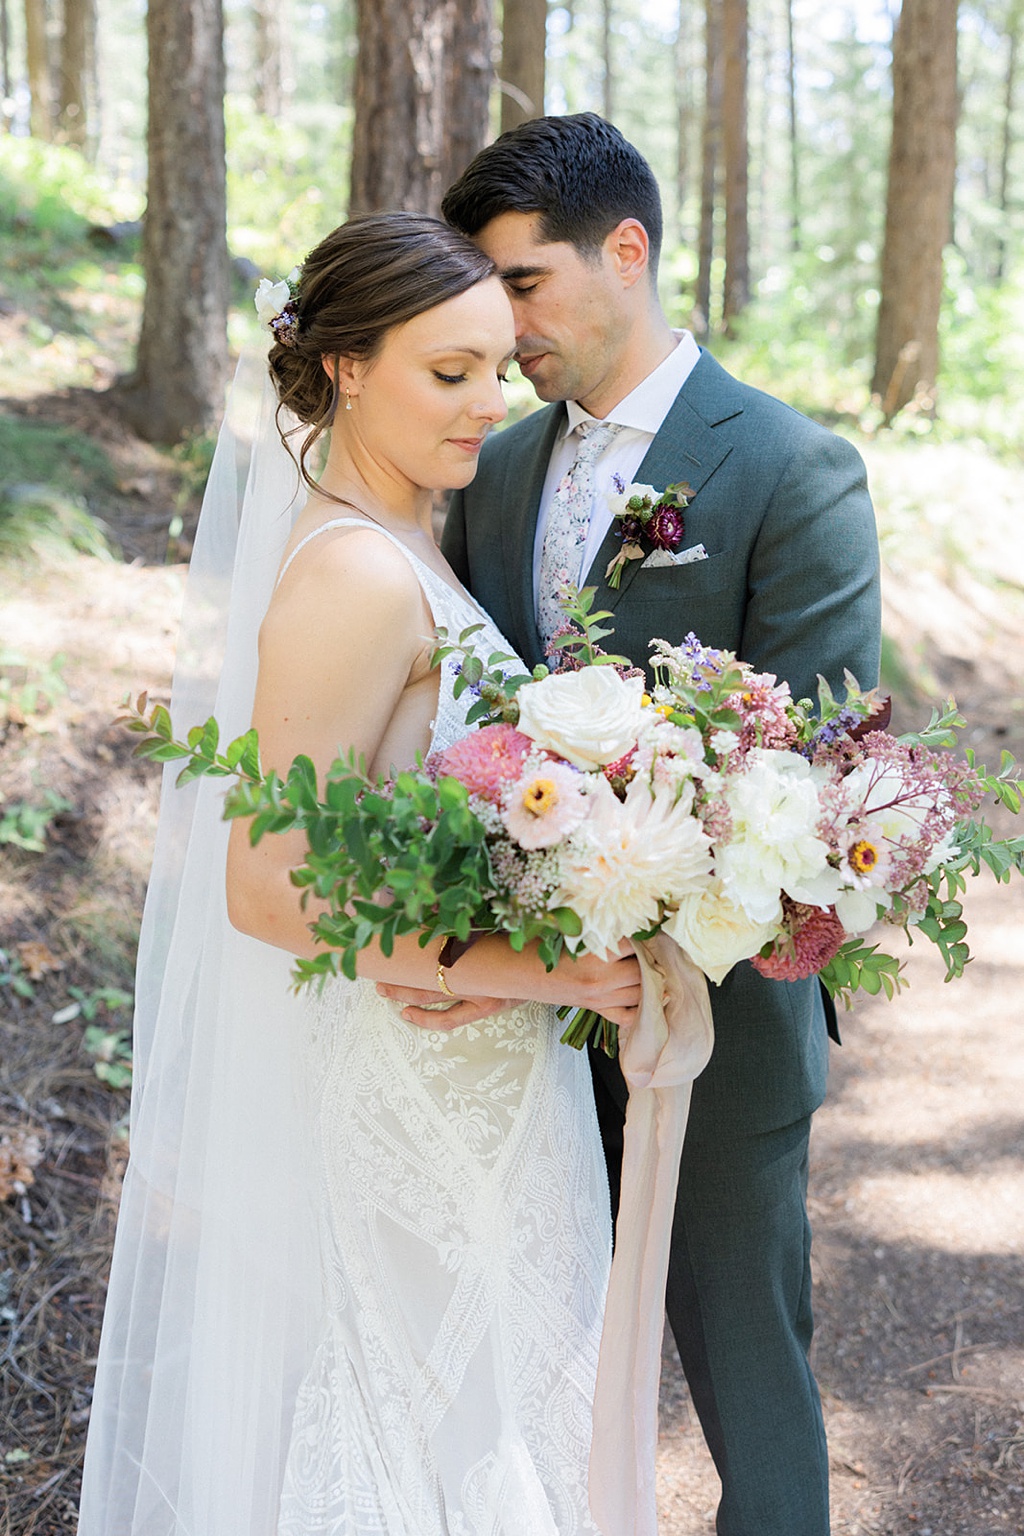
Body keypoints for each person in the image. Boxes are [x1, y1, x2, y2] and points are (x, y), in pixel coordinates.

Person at [77, 211, 643, 1536]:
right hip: (411, 1084)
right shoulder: (351, 575)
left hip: (484, 1073)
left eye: (498, 370)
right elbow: (268, 889)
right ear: (343, 367)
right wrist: (541, 968)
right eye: (447, 374)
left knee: (479, 1415)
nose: (484, 406)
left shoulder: (412, 541)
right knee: (421, 1425)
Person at [385, 114, 882, 1536]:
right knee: (528, 1355)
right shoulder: (495, 461)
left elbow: (819, 770)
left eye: (524, 283)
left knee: (744, 1366)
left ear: (628, 249)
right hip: (520, 1017)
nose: (504, 322)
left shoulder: (791, 466)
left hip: (709, 1015)